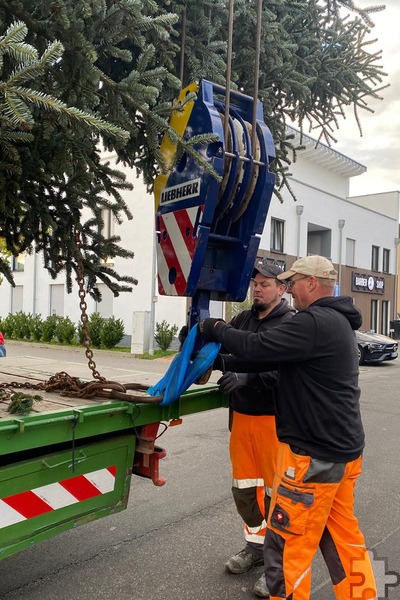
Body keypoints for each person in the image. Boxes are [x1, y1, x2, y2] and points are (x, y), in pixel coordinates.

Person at [199, 255, 377, 600]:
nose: (291, 290)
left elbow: (257, 347)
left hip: (313, 458)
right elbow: (263, 357)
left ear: (311, 283)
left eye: (293, 282)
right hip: (342, 453)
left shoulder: (312, 321)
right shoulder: (337, 321)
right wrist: (218, 360)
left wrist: (217, 329)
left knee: (287, 547)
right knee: (344, 540)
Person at [218, 261, 295, 598]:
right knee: (245, 489)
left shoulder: (290, 323)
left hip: (273, 423)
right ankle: (255, 547)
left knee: (276, 494)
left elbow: (288, 372)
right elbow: (225, 349)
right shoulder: (244, 319)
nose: (258, 288)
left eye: (266, 283)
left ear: (282, 289)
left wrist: (250, 378)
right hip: (242, 420)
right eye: (255, 283)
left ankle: (278, 565)